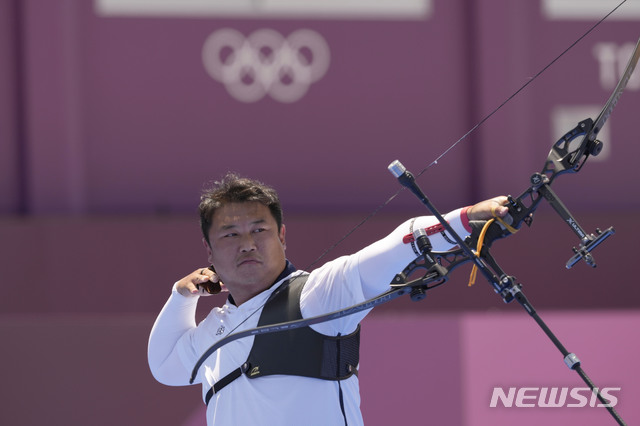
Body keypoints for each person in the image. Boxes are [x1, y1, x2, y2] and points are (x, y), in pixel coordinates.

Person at [148, 173, 508, 425]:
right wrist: (181, 296)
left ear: (282, 236)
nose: (247, 243)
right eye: (230, 234)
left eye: (260, 229)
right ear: (208, 250)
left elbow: (399, 245)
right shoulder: (215, 327)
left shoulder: (315, 296)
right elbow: (165, 367)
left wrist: (465, 220)